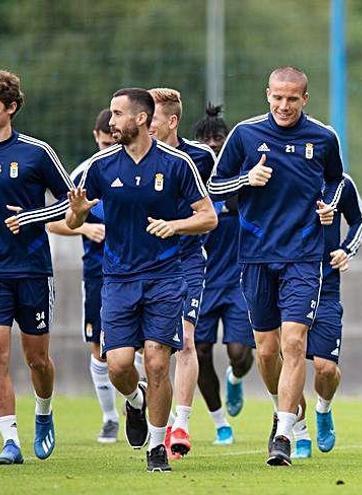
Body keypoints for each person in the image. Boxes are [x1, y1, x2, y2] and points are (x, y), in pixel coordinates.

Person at [66, 87, 217, 472]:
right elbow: (71, 220)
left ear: (141, 119)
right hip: (117, 278)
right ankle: (135, 400)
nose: (111, 121)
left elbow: (209, 217)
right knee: (117, 364)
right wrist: (79, 214)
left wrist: (176, 225)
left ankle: (156, 446)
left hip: (165, 277)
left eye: (117, 114)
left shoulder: (178, 163)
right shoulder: (100, 167)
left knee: (156, 360)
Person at [207, 66, 343, 467]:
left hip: (303, 257)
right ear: (267, 94)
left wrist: (328, 204)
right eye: (277, 97)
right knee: (266, 352)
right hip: (255, 256)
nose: (284, 106)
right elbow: (215, 185)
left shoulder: (323, 137)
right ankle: (283, 410)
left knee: (294, 343)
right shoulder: (246, 135)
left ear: (305, 99)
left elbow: (337, 181)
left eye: (292, 99)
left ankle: (283, 433)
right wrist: (246, 179)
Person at [0, 69, 74, 465]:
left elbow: (71, 202)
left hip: (31, 269)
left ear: (10, 107)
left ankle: (43, 414)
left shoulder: (36, 152)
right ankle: (9, 439)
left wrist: (30, 216)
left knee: (37, 360)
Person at [148, 87, 216, 459]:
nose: (146, 125)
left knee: (187, 340)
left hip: (187, 259)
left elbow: (211, 207)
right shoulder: (130, 157)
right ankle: (135, 400)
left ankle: (182, 424)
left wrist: (176, 225)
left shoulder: (200, 158)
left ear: (172, 121)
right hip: (142, 265)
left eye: (153, 119)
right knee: (146, 352)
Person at [46, 109, 117, 443]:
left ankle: (139, 403)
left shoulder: (137, 167)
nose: (106, 149)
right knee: (99, 347)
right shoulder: (82, 174)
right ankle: (109, 417)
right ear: (95, 137)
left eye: (111, 142)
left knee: (145, 347)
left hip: (139, 270)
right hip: (97, 272)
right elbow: (53, 220)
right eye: (102, 142)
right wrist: (86, 228)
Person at [192, 103, 255, 445]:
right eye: (206, 139)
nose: (213, 144)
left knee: (238, 353)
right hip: (201, 281)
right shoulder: (190, 180)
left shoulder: (241, 178)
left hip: (239, 281)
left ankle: (235, 377)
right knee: (199, 351)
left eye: (218, 138)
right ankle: (220, 424)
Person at [292, 172, 362, 458]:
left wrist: (346, 250)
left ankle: (323, 408)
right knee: (289, 360)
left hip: (326, 287)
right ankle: (298, 433)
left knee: (325, 367)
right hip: (287, 284)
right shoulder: (286, 175)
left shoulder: (342, 183)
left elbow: (360, 221)